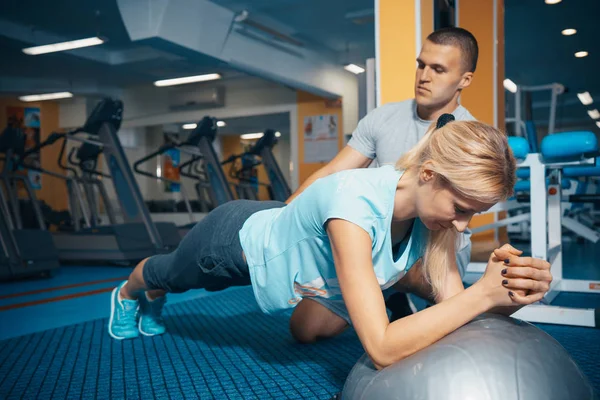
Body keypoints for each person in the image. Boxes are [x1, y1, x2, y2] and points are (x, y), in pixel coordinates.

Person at [108, 117, 552, 371]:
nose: (462, 225)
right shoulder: (352, 208)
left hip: (306, 275)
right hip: (232, 243)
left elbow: (457, 304)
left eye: (473, 213)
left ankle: (386, 289)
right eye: (460, 208)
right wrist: (482, 293)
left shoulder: (431, 216)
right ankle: (129, 294)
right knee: (169, 276)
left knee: (305, 334)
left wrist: (511, 288)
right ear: (430, 174)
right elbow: (380, 348)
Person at [285, 26, 480, 342]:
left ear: (464, 80)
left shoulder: (469, 137)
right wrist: (285, 215)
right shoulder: (383, 118)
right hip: (380, 239)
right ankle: (389, 293)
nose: (424, 76)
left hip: (434, 244)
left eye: (439, 69)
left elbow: (451, 214)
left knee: (422, 290)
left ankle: (393, 287)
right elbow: (333, 172)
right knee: (305, 330)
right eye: (421, 64)